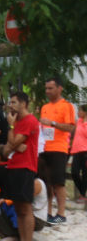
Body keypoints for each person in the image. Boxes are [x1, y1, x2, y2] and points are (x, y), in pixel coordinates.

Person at [0, 92, 40, 241]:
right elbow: (7, 149)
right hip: (14, 166)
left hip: (25, 168)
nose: (10, 105)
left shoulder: (29, 121)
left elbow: (13, 143)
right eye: (10, 102)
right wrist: (14, 145)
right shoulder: (17, 122)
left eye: (14, 102)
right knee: (18, 208)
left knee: (26, 208)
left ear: (24, 104)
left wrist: (11, 130)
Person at [38, 76, 76, 224]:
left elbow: (70, 127)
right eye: (46, 88)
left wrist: (53, 123)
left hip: (59, 148)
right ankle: (47, 212)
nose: (47, 91)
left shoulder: (66, 106)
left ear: (59, 88)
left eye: (50, 88)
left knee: (58, 182)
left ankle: (61, 213)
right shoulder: (45, 107)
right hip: (44, 148)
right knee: (45, 181)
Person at [70, 105, 87, 204]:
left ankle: (82, 195)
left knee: (85, 174)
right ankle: (82, 193)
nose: (78, 112)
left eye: (80, 111)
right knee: (74, 172)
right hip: (76, 151)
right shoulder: (79, 121)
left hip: (85, 151)